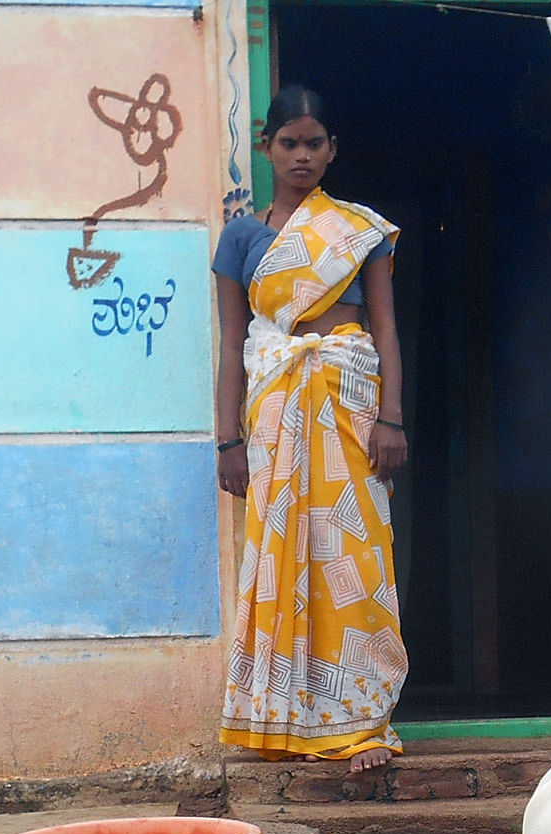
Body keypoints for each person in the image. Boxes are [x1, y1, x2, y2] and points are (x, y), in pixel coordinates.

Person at [213, 85, 409, 774]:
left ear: (332, 150)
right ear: (267, 148)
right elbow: (234, 342)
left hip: (350, 399)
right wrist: (228, 443)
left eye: (314, 143)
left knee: (354, 554)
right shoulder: (241, 238)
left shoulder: (360, 230)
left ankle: (360, 719)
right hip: (273, 409)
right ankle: (280, 719)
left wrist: (392, 418)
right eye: (289, 142)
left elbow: (384, 327)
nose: (302, 155)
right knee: (279, 554)